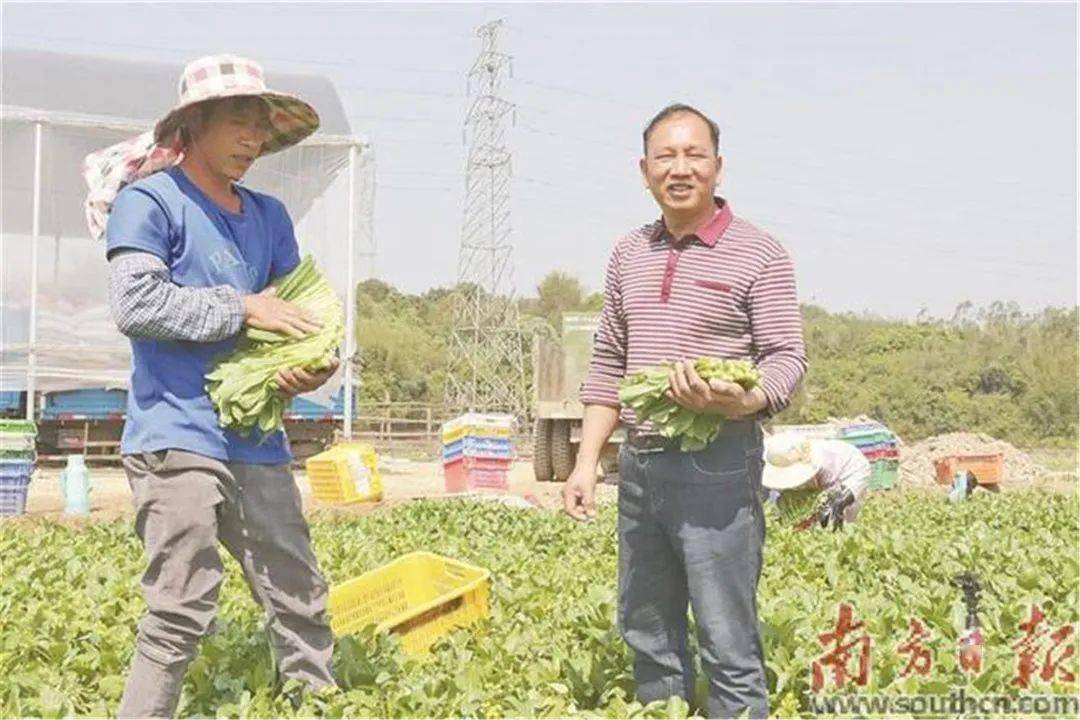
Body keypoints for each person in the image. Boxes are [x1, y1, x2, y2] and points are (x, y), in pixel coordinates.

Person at [85, 54, 338, 718]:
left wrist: (313, 366)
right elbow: (136, 305)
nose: (253, 139)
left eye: (261, 126)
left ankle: (315, 704)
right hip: (176, 434)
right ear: (194, 124)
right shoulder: (151, 201)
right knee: (181, 604)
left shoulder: (269, 216)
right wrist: (242, 306)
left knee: (298, 592)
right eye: (238, 122)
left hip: (256, 437)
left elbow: (290, 313)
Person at [562, 103, 808, 718]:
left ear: (718, 168)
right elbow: (609, 365)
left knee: (727, 636)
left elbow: (786, 357)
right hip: (641, 466)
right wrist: (586, 463)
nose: (680, 168)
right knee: (647, 625)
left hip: (717, 463)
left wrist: (743, 401)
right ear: (643, 171)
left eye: (694, 155)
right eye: (664, 157)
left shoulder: (760, 253)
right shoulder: (628, 254)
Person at [761, 433, 871, 530]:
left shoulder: (835, 457)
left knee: (835, 522)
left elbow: (861, 468)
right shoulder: (775, 456)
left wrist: (847, 494)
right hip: (803, 496)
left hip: (842, 481)